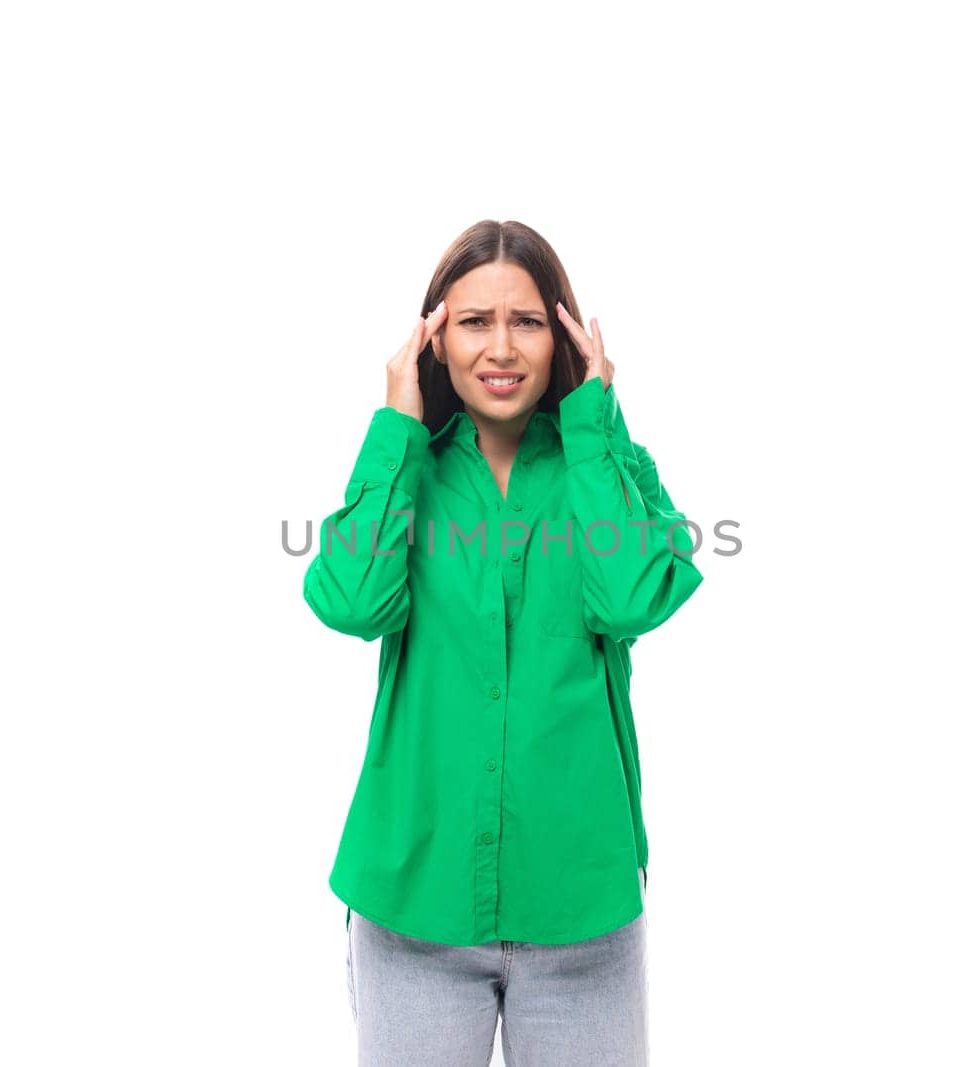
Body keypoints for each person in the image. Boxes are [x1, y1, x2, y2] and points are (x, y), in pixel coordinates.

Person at [302, 219, 705, 1065]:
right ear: (434, 338)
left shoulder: (606, 467)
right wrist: (396, 427)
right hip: (415, 902)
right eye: (474, 321)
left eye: (524, 320)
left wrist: (596, 423)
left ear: (563, 333)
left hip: (579, 910)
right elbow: (348, 599)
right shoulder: (408, 472)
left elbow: (633, 594)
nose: (501, 347)